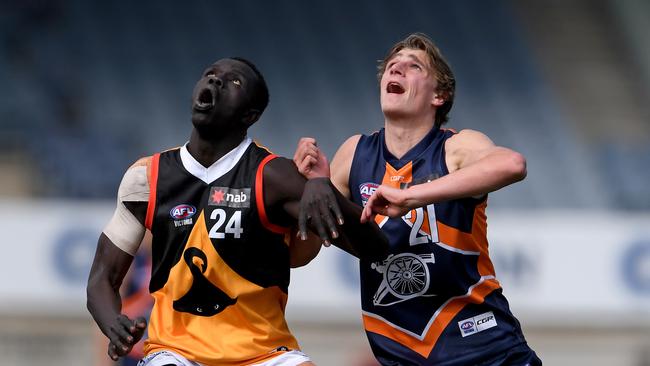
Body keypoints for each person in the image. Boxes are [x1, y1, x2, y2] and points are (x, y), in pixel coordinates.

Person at [86, 57, 387, 366]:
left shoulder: (276, 177)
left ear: (250, 115)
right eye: (210, 74)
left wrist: (325, 187)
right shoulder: (146, 177)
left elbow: (375, 247)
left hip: (265, 354)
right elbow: (101, 279)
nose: (215, 80)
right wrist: (113, 325)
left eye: (234, 82)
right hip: (175, 353)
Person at [293, 33, 542, 365]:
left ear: (439, 95)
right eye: (392, 66)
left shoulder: (456, 147)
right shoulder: (354, 153)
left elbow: (513, 164)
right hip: (401, 353)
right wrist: (314, 189)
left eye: (413, 67)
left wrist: (410, 197)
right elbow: (300, 254)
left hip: (483, 347)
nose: (397, 69)